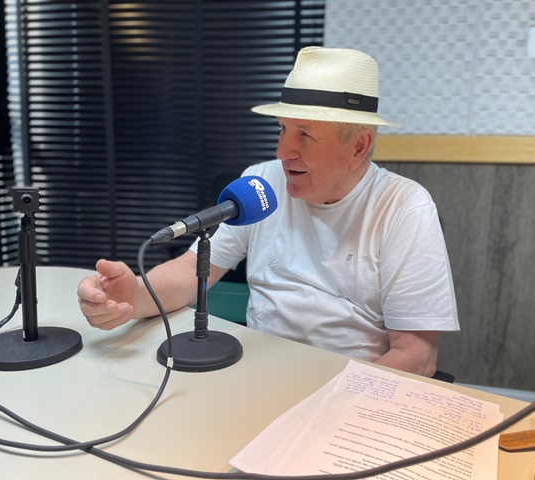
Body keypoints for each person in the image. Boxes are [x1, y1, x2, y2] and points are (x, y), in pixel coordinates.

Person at [77, 46, 459, 377]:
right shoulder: (262, 183)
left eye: (304, 134)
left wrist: (330, 403)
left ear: (358, 147)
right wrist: (132, 296)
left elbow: (418, 356)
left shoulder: (404, 207)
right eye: (282, 130)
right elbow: (190, 273)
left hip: (349, 384)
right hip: (255, 373)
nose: (283, 152)